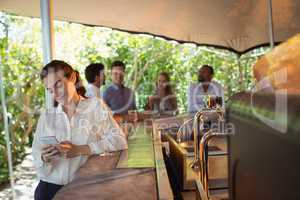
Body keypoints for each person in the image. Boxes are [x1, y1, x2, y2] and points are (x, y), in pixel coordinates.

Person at [32, 60, 127, 200]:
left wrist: (81, 149)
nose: (55, 94)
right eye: (50, 90)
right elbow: (36, 156)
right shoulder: (46, 116)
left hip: (83, 190)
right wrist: (44, 158)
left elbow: (119, 140)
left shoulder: (95, 106)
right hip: (48, 191)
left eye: (58, 84)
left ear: (72, 78)